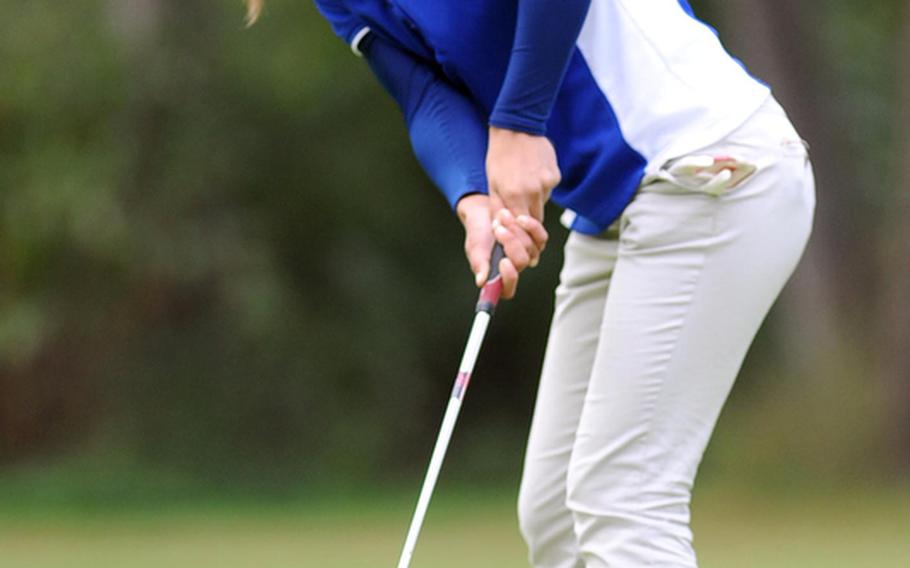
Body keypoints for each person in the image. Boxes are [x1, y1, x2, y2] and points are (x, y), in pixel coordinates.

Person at [252, 1, 816, 566]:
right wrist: (473, 197)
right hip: (617, 207)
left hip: (708, 166)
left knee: (623, 500)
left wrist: (519, 123)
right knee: (556, 517)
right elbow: (423, 93)